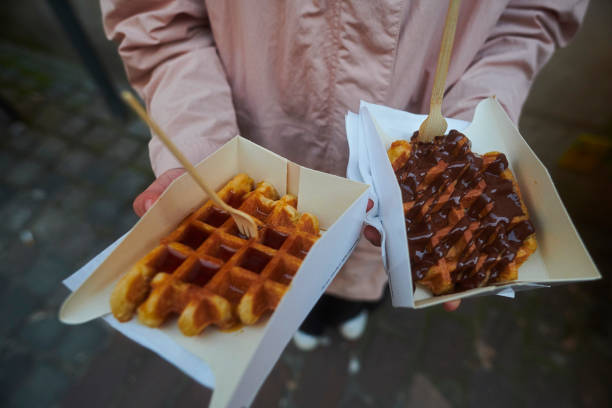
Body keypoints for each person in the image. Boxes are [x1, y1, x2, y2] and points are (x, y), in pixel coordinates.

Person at [101, 0, 587, 350]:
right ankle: (310, 326)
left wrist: (468, 136)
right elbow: (158, 21)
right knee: (289, 298)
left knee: (364, 286)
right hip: (255, 150)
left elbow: (529, 17)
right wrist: (201, 151)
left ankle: (350, 313)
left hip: (403, 188)